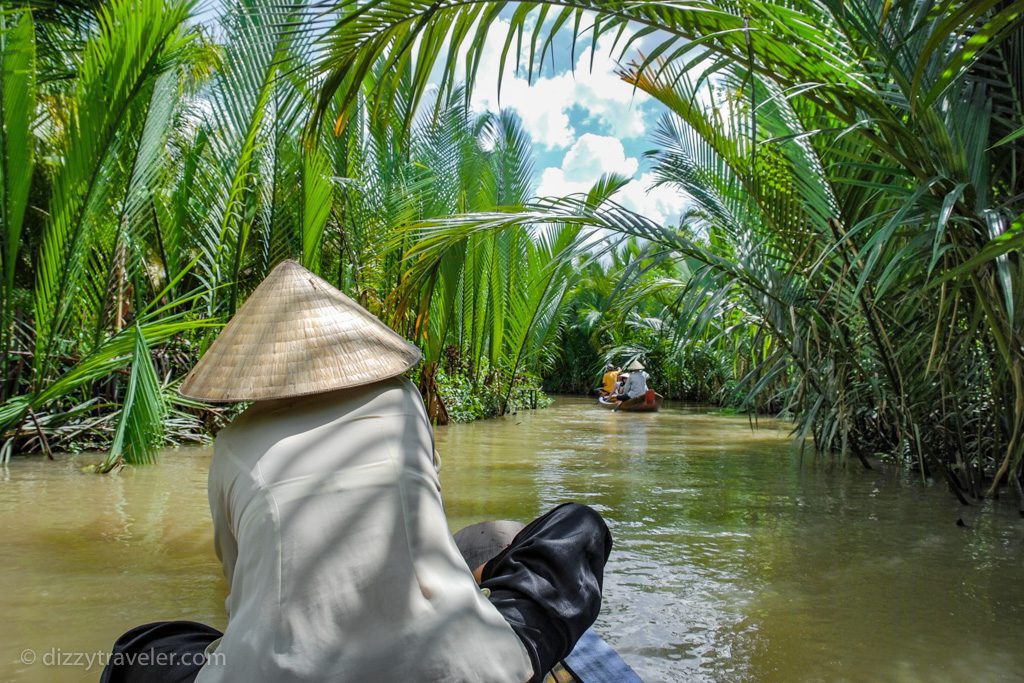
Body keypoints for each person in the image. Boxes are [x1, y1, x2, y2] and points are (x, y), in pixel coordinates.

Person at [100, 260, 611, 683]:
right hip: (461, 665)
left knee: (141, 649)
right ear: (351, 349)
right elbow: (424, 508)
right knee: (578, 526)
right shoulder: (403, 399)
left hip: (278, 673)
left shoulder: (232, 443)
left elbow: (238, 582)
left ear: (257, 369)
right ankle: (475, 582)